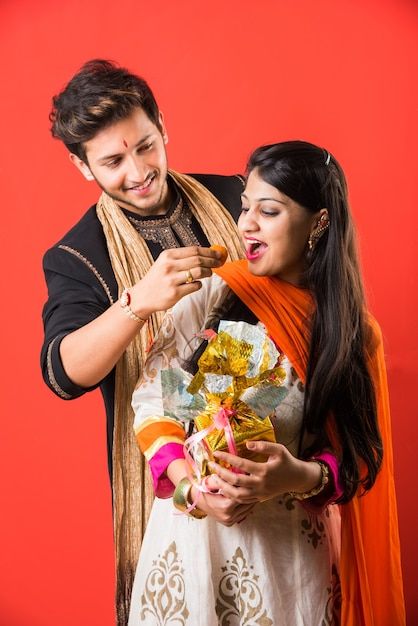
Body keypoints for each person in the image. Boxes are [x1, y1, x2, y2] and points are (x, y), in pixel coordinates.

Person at [128, 141, 405, 625]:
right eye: (245, 207)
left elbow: (361, 462)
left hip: (287, 566)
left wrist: (295, 476)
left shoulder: (349, 334)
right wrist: (192, 489)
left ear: (318, 221)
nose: (246, 224)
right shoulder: (212, 294)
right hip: (190, 550)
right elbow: (154, 403)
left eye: (269, 210)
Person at [40, 59, 246, 624]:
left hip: (264, 455)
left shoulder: (236, 197)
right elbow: (62, 373)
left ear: (162, 123)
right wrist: (136, 302)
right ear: (82, 167)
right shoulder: (77, 255)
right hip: (166, 483)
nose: (138, 171)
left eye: (146, 146)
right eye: (112, 161)